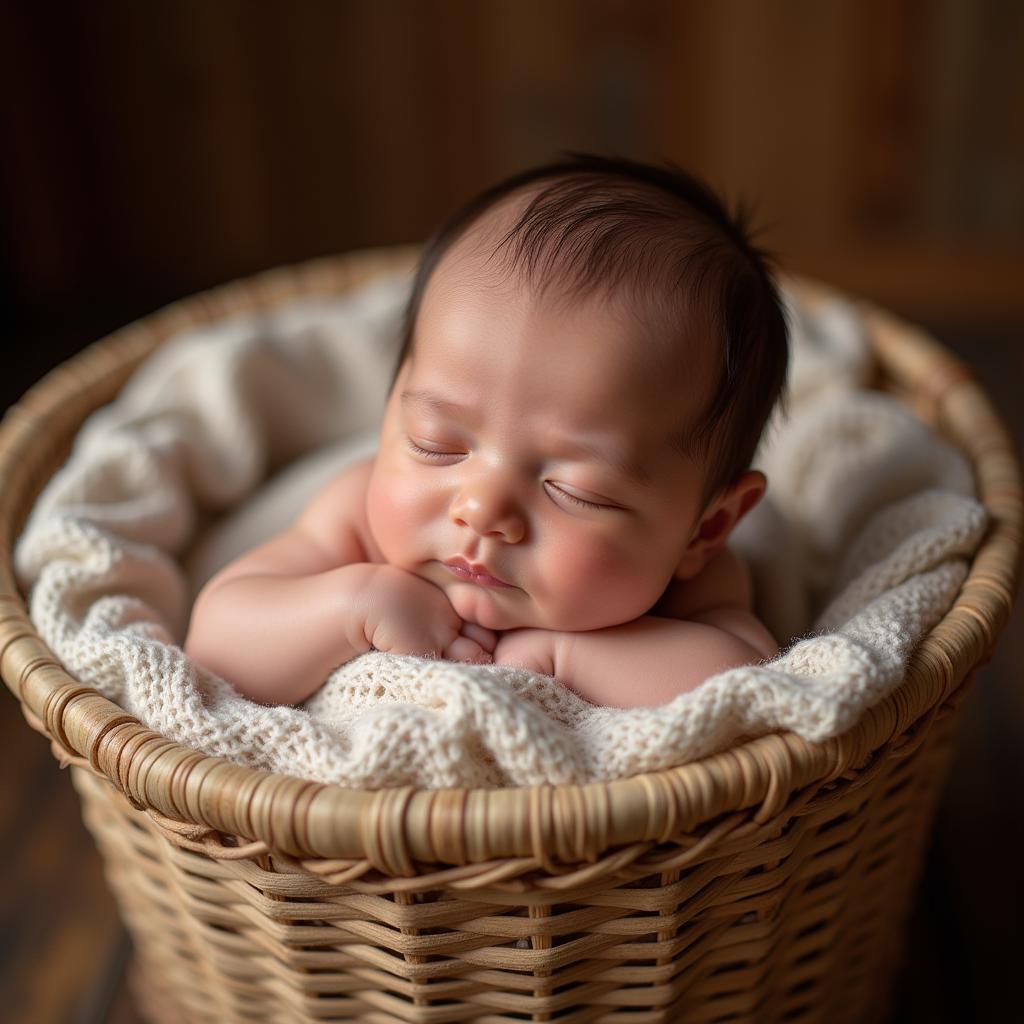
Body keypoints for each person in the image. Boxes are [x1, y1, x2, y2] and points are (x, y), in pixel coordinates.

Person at [184, 154, 788, 708]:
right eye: (435, 444)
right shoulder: (356, 519)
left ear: (704, 528)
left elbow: (747, 692)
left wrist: (563, 656)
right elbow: (216, 644)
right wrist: (350, 607)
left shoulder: (691, 582)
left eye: (576, 490)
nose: (481, 508)